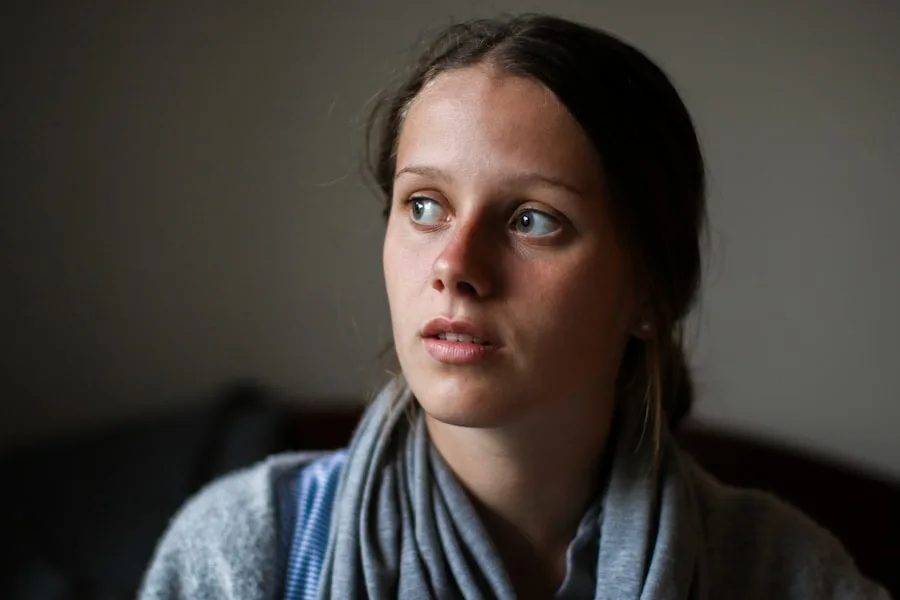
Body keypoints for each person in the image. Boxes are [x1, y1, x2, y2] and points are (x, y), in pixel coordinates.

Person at [139, 13, 891, 600]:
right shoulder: (250, 551)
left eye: (534, 219)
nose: (455, 267)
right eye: (425, 206)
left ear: (650, 292)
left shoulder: (783, 576)